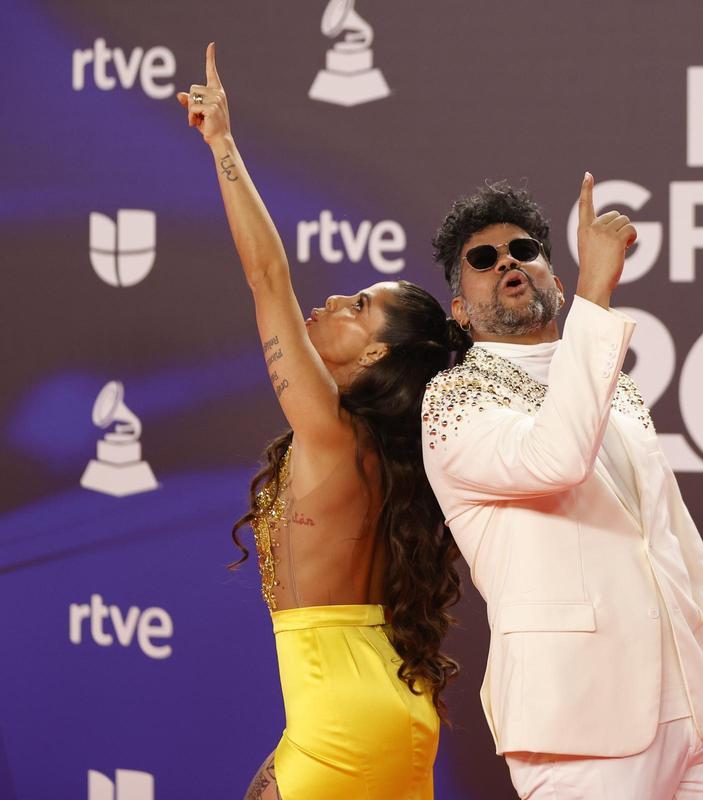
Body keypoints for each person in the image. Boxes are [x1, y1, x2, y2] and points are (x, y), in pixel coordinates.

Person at [421, 176, 703, 797]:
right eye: (482, 261)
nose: (507, 261)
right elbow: (556, 458)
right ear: (460, 310)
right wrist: (599, 289)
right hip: (579, 722)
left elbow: (682, 549)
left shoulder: (615, 387)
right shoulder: (454, 399)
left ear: (554, 283)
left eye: (524, 250)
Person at [177, 43, 465, 800]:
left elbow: (267, 276)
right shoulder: (375, 452)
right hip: (384, 713)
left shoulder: (331, 434)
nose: (334, 303)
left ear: (375, 355)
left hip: (343, 721)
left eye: (358, 307)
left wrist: (223, 144)